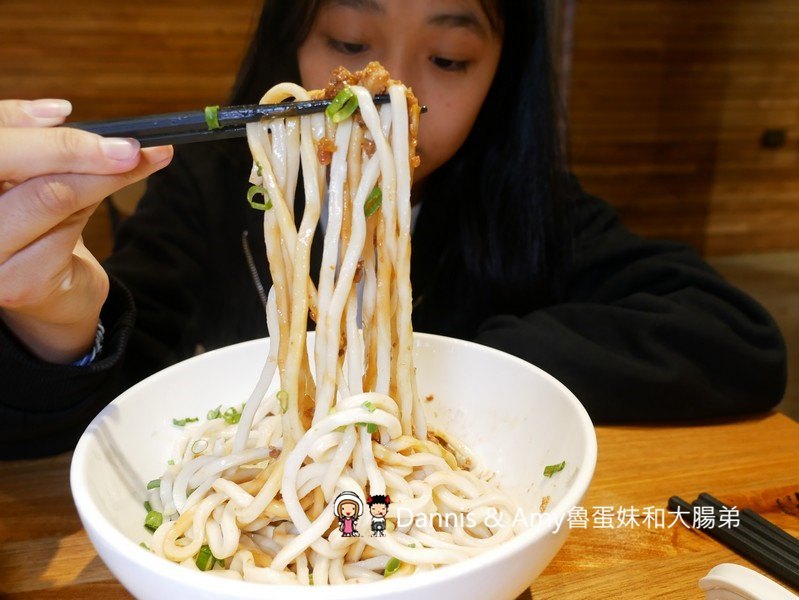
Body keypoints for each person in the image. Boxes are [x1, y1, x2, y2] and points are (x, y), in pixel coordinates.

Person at [0, 0, 786, 459]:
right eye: (348, 43)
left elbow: (737, 342)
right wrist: (58, 322)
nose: (389, 94)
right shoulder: (217, 190)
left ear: (499, 80)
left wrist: (446, 363)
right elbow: (118, 385)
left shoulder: (518, 203)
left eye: (447, 58)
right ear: (293, 44)